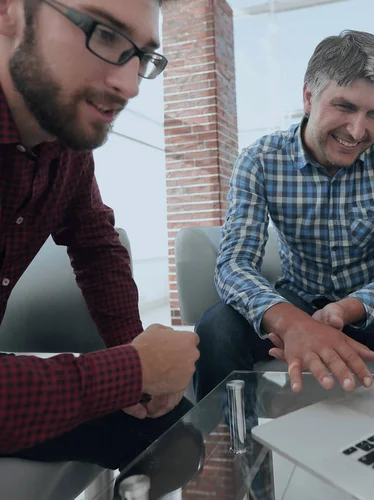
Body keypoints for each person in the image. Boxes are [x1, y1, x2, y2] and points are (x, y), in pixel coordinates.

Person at [194, 30, 374, 401]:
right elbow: (233, 265)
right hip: (299, 302)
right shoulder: (259, 160)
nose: (358, 131)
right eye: (344, 107)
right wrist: (290, 321)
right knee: (217, 328)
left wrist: (347, 308)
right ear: (309, 97)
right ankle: (233, 455)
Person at [0, 0, 200, 470]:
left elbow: (96, 246)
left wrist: (139, 362)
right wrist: (132, 369)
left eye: (142, 55)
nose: (129, 85)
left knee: (173, 435)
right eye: (104, 34)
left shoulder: (64, 143)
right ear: (10, 11)